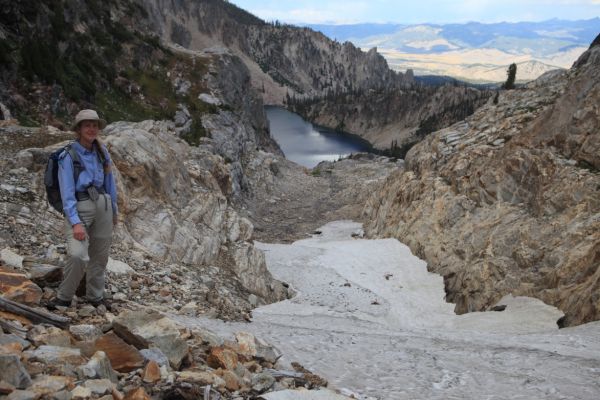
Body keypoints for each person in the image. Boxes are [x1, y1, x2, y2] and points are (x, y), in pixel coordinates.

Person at [47, 109, 118, 309]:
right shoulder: (68, 155)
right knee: (78, 254)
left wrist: (114, 210)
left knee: (100, 255)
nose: (92, 129)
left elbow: (110, 182)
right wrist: (75, 221)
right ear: (79, 129)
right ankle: (64, 297)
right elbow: (66, 191)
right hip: (80, 206)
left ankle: (95, 296)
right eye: (87, 125)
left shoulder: (103, 152)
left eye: (94, 125)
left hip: (104, 205)